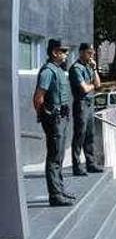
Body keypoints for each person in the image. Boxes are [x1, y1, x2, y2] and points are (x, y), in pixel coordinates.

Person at [32, 40, 75, 206]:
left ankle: (60, 190)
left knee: (59, 157)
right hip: (54, 119)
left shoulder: (58, 70)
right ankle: (55, 195)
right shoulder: (48, 71)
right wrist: (44, 115)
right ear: (54, 53)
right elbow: (38, 97)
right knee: (54, 158)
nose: (65, 54)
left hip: (61, 118)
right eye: (63, 51)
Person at [68, 43, 103, 174]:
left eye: (93, 53)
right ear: (81, 52)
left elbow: (98, 84)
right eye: (89, 53)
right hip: (81, 104)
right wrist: (92, 85)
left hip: (89, 103)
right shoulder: (76, 68)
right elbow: (84, 88)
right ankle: (76, 166)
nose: (91, 55)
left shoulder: (88, 67)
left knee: (90, 135)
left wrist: (94, 70)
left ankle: (91, 163)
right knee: (79, 135)